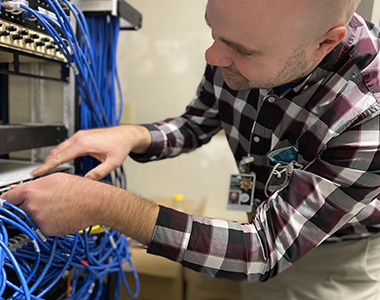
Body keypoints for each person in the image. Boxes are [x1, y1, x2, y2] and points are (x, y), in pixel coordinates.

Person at [3, 0, 380, 298]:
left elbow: (263, 250)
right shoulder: (239, 41)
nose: (212, 57)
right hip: (258, 236)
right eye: (212, 31)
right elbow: (197, 123)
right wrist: (133, 135)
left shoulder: (367, 113)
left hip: (334, 260)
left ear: (325, 42)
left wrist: (106, 205)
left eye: (238, 49)